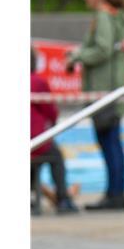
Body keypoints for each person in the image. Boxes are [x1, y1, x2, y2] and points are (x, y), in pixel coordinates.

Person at [66, 0, 124, 211]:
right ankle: (116, 193)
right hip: (112, 89)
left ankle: (114, 195)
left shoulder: (103, 16)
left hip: (104, 91)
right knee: (113, 143)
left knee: (110, 144)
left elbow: (102, 50)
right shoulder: (114, 15)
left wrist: (77, 56)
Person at [32, 48, 79, 216]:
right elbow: (51, 112)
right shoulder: (38, 83)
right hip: (36, 142)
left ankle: (41, 195)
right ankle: (63, 198)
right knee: (55, 155)